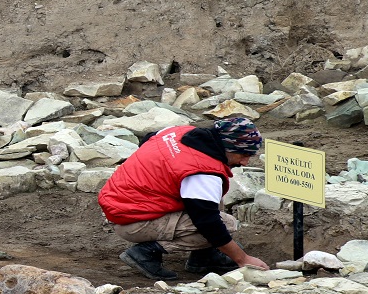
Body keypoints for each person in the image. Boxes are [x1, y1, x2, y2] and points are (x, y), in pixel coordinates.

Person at [97, 116, 271, 281]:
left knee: (210, 199)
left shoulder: (179, 132)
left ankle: (204, 257)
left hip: (122, 201)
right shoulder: (202, 171)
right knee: (226, 224)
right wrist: (242, 259)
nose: (245, 162)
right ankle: (146, 252)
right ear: (227, 146)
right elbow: (208, 223)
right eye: (243, 154)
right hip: (131, 219)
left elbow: (148, 140)